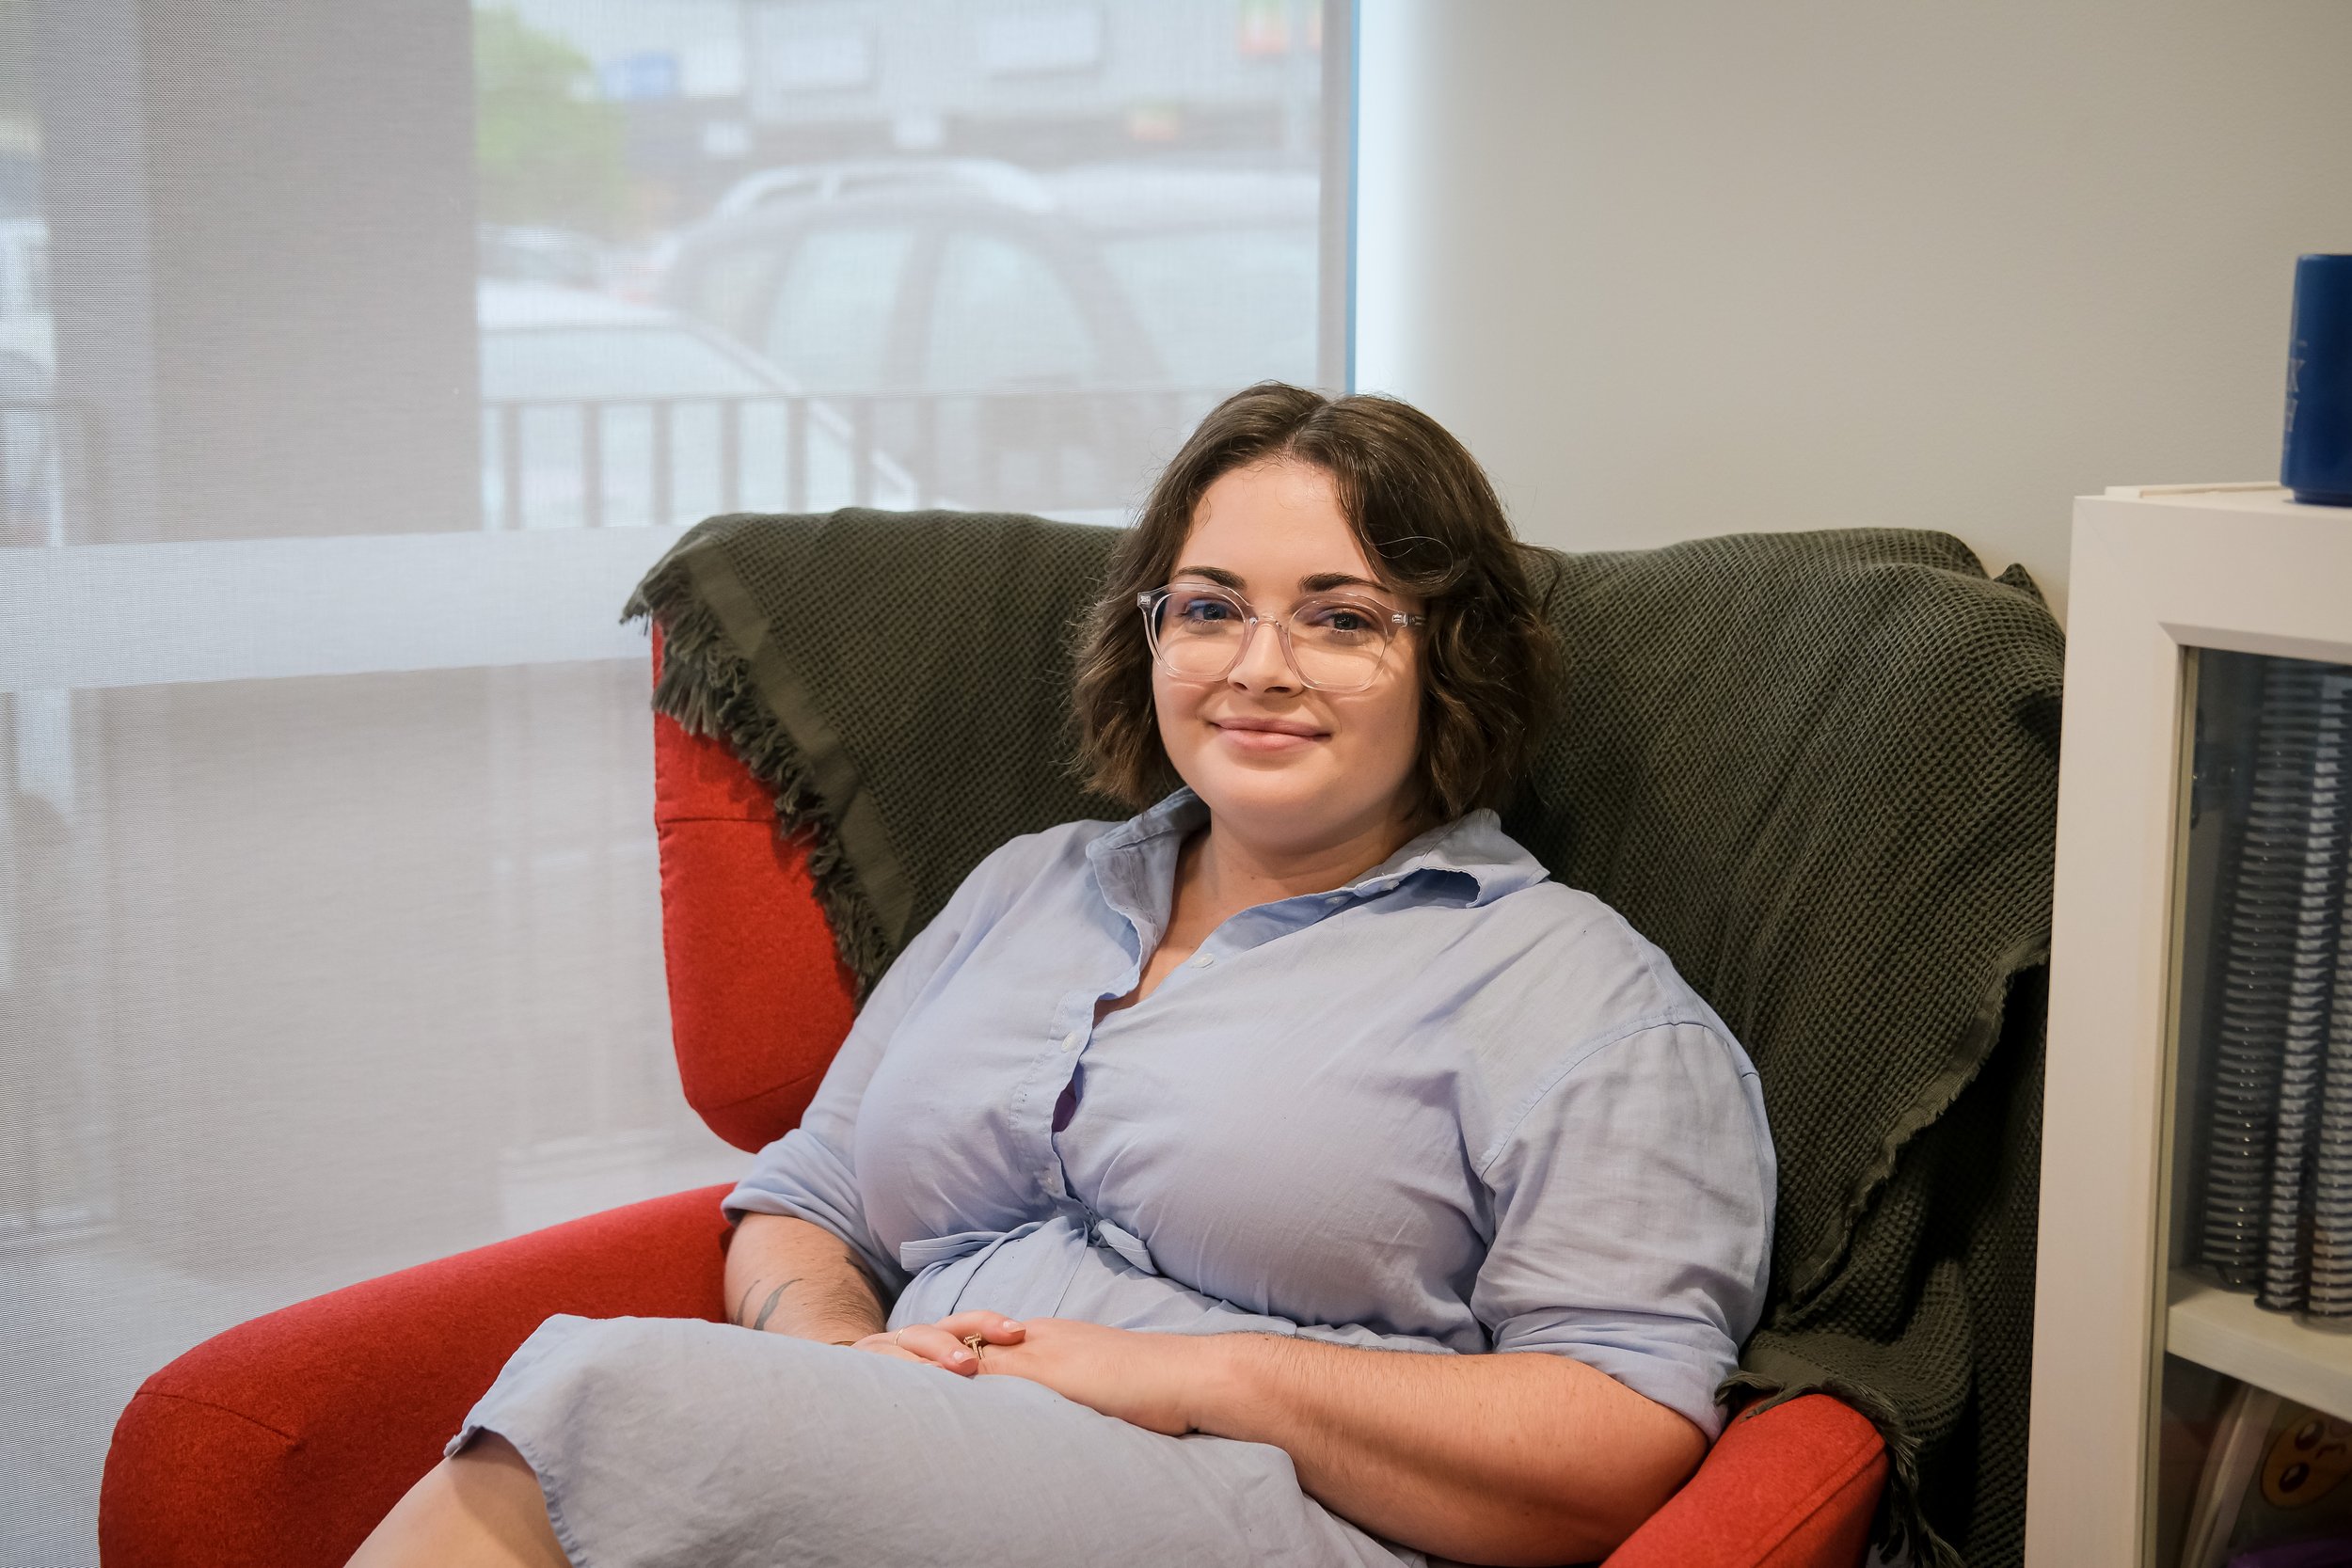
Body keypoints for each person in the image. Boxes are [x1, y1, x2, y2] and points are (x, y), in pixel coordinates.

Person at [348, 384, 1774, 1568]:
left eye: (1342, 618)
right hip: (921, 1453)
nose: (1258, 666)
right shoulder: (1038, 884)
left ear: (1451, 660)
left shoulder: (1571, 990)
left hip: (1268, 1511)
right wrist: (838, 1353)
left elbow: (1624, 1431)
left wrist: (1191, 1376)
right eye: (1209, 607)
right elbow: (810, 1199)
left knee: (605, 1397)